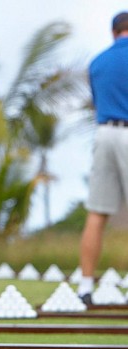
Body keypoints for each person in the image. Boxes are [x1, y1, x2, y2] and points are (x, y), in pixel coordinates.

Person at [78, 11, 128, 304]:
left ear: (113, 32)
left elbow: (98, 102)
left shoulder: (97, 62)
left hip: (104, 134)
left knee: (97, 213)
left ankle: (85, 287)